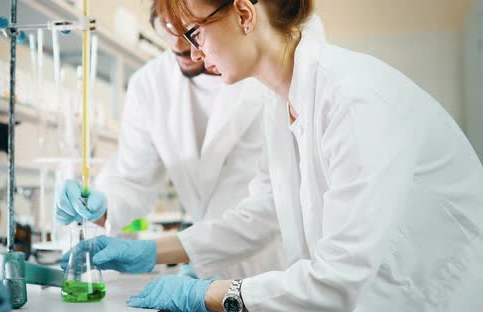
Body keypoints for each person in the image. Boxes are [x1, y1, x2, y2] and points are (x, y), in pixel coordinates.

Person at [63, 0, 483, 311]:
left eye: (196, 34)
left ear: (245, 14)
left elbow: (338, 280)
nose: (193, 53)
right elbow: (263, 210)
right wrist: (155, 251)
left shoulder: (353, 99)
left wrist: (204, 294)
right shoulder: (280, 101)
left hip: (437, 296)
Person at [54, 0, 285, 279]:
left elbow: (270, 203)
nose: (177, 43)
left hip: (272, 264)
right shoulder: (149, 85)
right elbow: (131, 179)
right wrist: (101, 208)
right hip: (201, 262)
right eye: (165, 24)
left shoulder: (267, 72)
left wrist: (158, 251)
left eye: (189, 27)